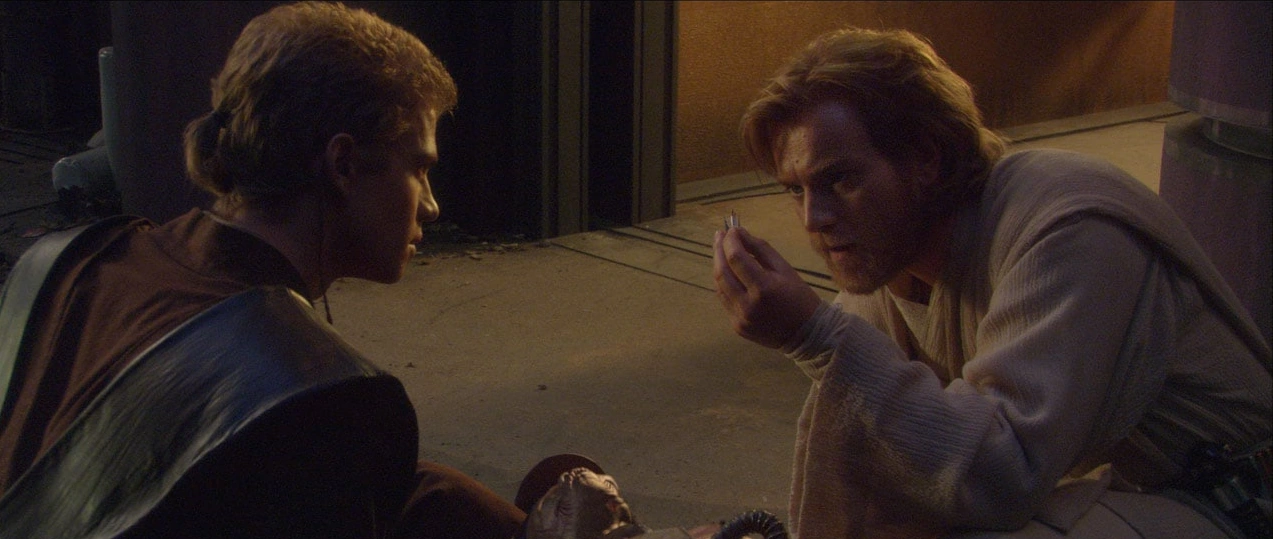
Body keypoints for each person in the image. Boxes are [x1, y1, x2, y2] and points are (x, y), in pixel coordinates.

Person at [713, 27, 1271, 538]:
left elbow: (1002, 475)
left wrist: (815, 336)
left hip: (1231, 504)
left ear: (925, 157)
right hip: (1113, 499)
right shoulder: (887, 265)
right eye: (796, 189)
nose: (813, 218)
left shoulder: (1067, 226)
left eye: (839, 180)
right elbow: (868, 481)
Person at [0, 3, 525, 538]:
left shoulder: (69, 260)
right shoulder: (322, 396)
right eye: (419, 168)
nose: (431, 206)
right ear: (343, 164)